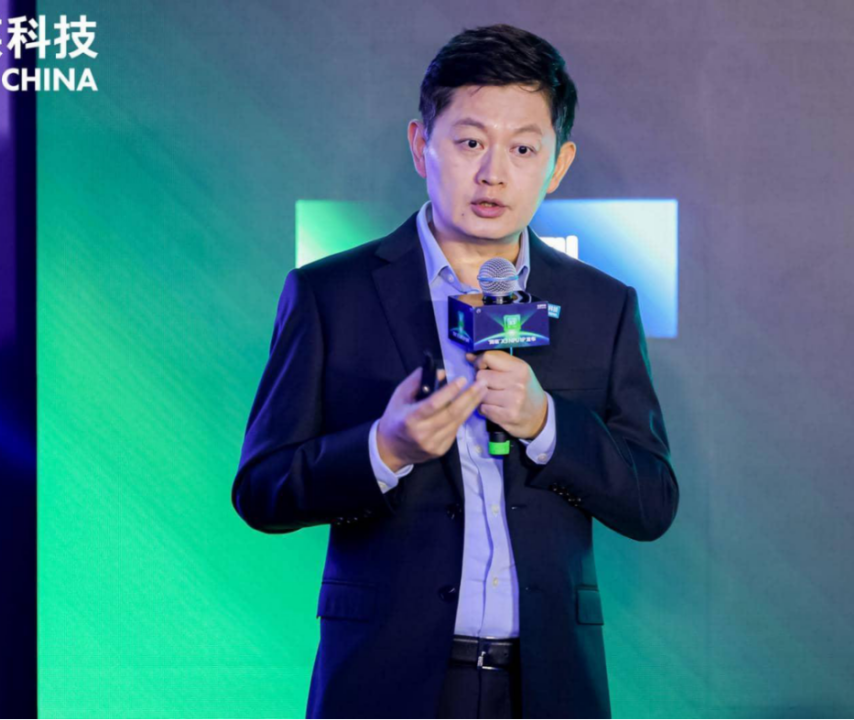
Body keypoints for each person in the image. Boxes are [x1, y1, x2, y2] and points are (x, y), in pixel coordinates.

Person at [232, 23, 679, 720]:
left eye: (523, 149)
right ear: (421, 145)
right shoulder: (332, 295)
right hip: (384, 685)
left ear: (558, 164)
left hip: (547, 688)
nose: (494, 173)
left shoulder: (601, 305)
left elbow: (652, 502)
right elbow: (263, 490)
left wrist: (546, 424)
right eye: (470, 143)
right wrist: (385, 448)